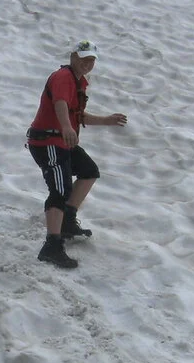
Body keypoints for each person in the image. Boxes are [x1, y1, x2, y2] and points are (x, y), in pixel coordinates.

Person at [26, 40, 128, 269]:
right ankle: (51, 246)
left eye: (92, 60)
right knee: (60, 190)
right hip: (49, 142)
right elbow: (61, 105)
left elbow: (77, 114)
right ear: (73, 56)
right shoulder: (63, 77)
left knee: (89, 171)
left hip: (62, 140)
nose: (88, 64)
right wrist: (66, 127)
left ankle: (67, 221)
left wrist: (106, 121)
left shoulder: (78, 81)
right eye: (84, 59)